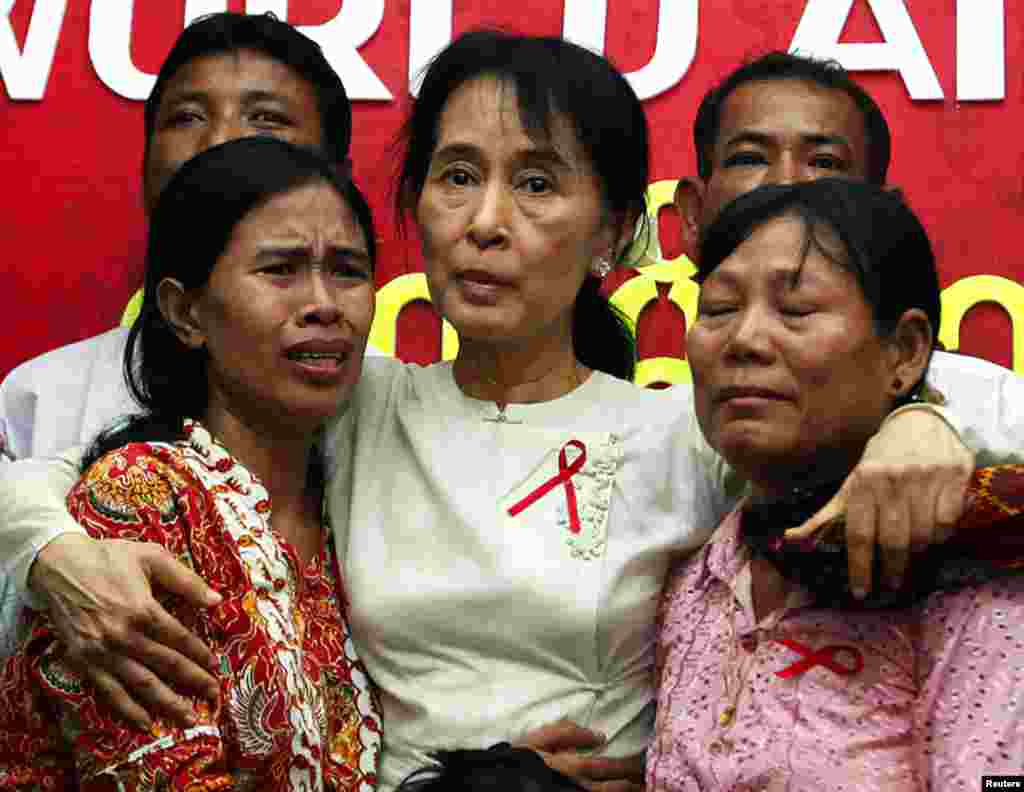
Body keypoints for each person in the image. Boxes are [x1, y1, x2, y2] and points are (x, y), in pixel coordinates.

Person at [0, 33, 1018, 792]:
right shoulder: (352, 401)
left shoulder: (688, 433)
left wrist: (918, 422)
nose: (486, 224)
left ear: (615, 227)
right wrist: (54, 550)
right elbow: (106, 457)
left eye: (535, 183)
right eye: (455, 177)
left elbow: (901, 438)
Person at [0, 136, 382, 790]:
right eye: (280, 269)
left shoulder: (358, 499)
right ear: (185, 311)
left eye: (347, 268)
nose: (324, 303)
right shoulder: (142, 502)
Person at [648, 178, 1024, 791]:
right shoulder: (698, 576)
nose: (744, 340)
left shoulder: (977, 575)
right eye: (718, 309)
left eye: (795, 311)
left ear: (904, 352)